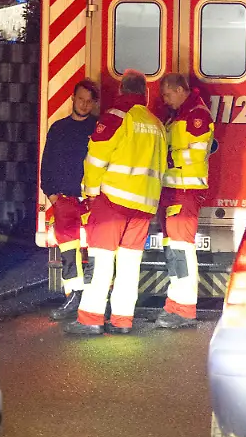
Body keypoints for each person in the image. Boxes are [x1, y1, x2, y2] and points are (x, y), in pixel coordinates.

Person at [61, 70, 168, 336]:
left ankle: (91, 318)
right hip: (144, 206)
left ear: (122, 89)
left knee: (102, 261)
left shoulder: (117, 117)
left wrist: (90, 192)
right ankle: (122, 320)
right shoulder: (156, 124)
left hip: (112, 202)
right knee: (130, 265)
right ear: (145, 94)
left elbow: (96, 158)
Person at [154, 74, 215, 329]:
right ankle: (175, 303)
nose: (165, 100)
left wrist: (168, 158)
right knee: (173, 248)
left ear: (180, 90)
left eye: (168, 95)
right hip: (173, 189)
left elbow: (197, 154)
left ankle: (185, 308)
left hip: (186, 189)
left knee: (182, 248)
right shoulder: (178, 116)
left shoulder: (197, 115)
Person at [41, 80, 99, 321]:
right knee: (68, 252)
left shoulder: (98, 128)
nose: (84, 105)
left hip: (92, 200)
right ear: (72, 98)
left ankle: (95, 301)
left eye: (89, 101)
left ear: (94, 104)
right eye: (81, 99)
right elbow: (47, 164)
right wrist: (52, 195)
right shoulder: (58, 128)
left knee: (97, 252)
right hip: (64, 200)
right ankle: (73, 298)